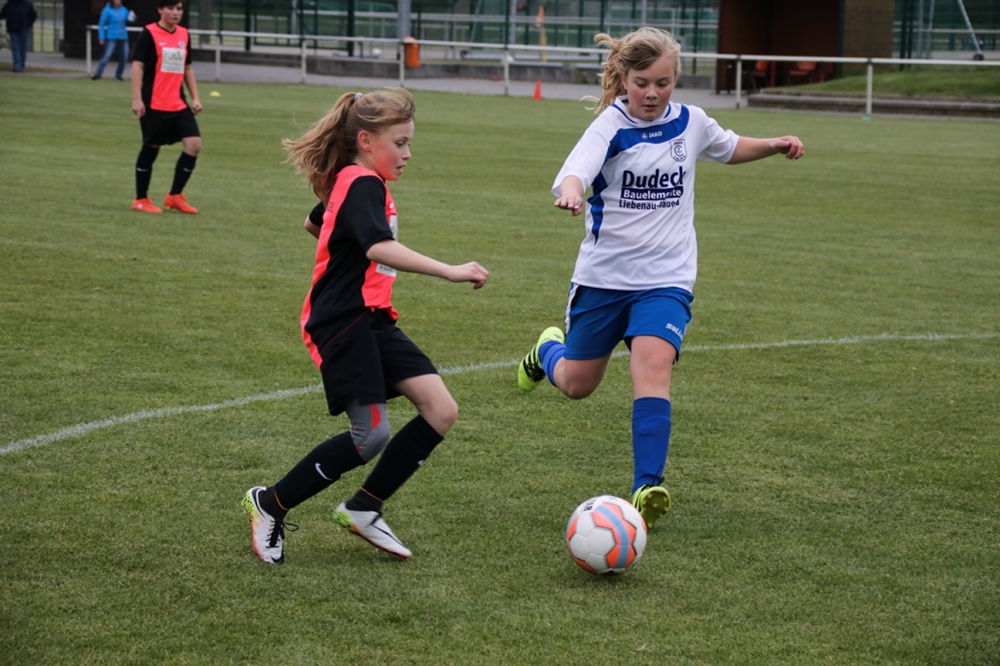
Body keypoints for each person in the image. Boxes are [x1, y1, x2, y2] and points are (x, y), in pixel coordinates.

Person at [517, 28, 804, 531]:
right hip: (604, 278)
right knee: (578, 386)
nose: (652, 94)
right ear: (623, 78)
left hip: (667, 279)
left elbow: (729, 146)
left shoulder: (691, 121)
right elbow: (575, 171)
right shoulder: (610, 125)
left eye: (663, 83)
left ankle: (646, 486)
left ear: (676, 79)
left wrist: (774, 145)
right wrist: (572, 192)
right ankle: (547, 351)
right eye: (642, 83)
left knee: (653, 369)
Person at [242, 89, 489, 564]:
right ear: (366, 140)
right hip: (342, 321)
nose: (408, 153)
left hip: (374, 317)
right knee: (370, 434)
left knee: (440, 409)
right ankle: (269, 504)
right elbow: (376, 246)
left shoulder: (354, 181)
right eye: (400, 143)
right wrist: (450, 270)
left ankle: (364, 507)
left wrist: (340, 246)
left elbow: (316, 222)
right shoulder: (362, 183)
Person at [129, 0, 201, 214]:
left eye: (179, 8)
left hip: (178, 103)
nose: (176, 12)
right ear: (160, 9)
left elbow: (188, 68)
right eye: (170, 8)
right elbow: (137, 66)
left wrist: (195, 98)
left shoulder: (184, 34)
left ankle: (175, 196)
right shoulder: (149, 33)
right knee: (151, 148)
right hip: (154, 102)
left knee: (194, 145)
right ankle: (140, 199)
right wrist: (137, 99)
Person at [92, 0, 134, 81]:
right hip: (111, 37)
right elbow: (101, 24)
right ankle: (98, 74)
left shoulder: (123, 9)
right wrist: (101, 37)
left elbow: (129, 20)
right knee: (107, 55)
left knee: (124, 56)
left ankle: (118, 75)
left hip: (123, 37)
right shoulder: (107, 10)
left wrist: (133, 18)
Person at [1, 0, 36, 73]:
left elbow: (33, 16)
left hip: (23, 28)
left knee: (22, 47)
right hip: (13, 28)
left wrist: (28, 24)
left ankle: (21, 65)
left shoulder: (27, 4)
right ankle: (17, 65)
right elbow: (2, 14)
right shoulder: (9, 4)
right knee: (15, 47)